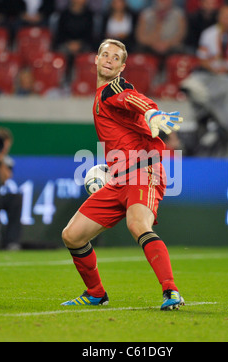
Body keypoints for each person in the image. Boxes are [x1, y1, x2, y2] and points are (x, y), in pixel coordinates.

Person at [61, 38, 185, 311]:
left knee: (138, 225)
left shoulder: (113, 87)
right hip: (118, 178)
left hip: (143, 169)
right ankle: (95, 293)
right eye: (104, 54)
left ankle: (171, 292)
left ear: (122, 66)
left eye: (115, 57)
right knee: (72, 235)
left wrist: (151, 112)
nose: (108, 59)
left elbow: (131, 96)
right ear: (95, 59)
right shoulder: (101, 94)